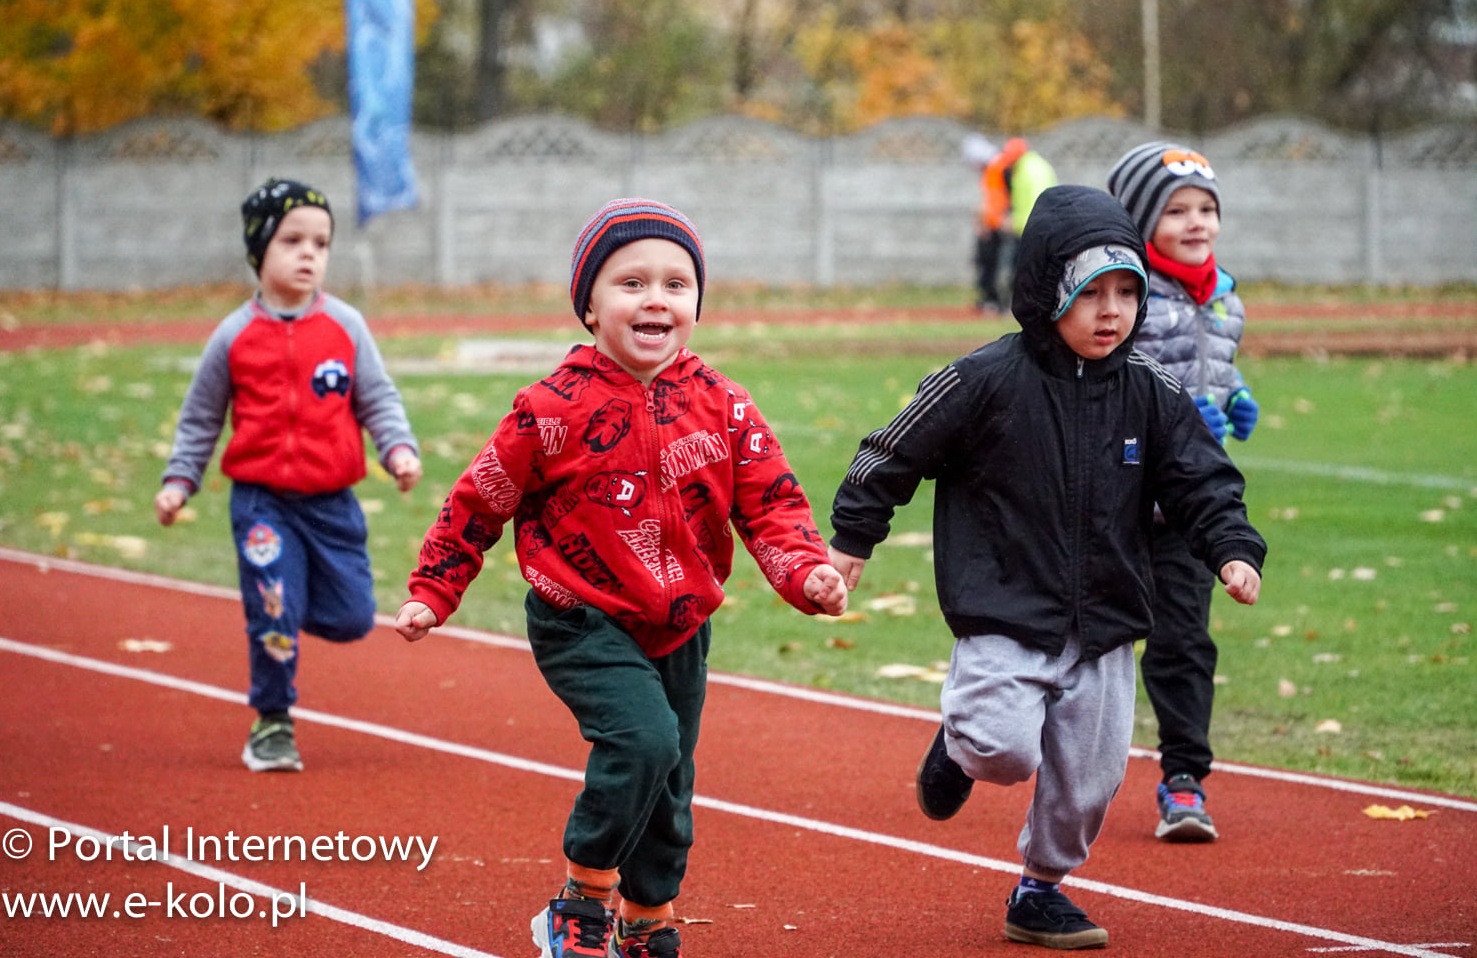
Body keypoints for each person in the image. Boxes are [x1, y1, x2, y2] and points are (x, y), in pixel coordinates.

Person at [393, 199, 848, 958]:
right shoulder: (549, 409)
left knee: (671, 784)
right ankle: (580, 900)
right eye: (631, 283)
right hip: (582, 615)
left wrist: (806, 573)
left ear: (697, 303)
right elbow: (481, 499)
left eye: (676, 284)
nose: (656, 299)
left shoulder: (727, 406)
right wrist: (433, 590)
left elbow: (772, 504)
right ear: (591, 307)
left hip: (681, 623)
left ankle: (648, 917)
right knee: (642, 743)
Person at [827, 185, 1265, 949]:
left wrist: (1231, 549)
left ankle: (1040, 891)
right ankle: (961, 745)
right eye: (1091, 291)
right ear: (1045, 289)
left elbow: (1203, 478)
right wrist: (854, 538)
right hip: (1005, 609)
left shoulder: (1151, 393)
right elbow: (890, 451)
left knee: (1087, 784)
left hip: (1106, 623)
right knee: (1004, 749)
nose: (1112, 311)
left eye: (1128, 292)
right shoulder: (983, 380)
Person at [155, 178, 422, 773]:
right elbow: (201, 419)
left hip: (333, 504)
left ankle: (282, 598)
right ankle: (272, 723)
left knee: (355, 618)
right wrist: (179, 481)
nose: (310, 254)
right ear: (259, 251)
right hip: (262, 504)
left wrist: (398, 449)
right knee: (273, 612)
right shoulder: (233, 336)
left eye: (321, 243)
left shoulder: (346, 326)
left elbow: (377, 398)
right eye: (292, 240)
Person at [1106, 141, 1257, 844]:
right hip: (1115, 499)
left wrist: (1236, 397)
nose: (1197, 223)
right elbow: (1107, 389)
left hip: (1187, 509)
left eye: (1207, 209)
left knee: (1184, 641)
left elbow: (1215, 369)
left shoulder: (1225, 298)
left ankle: (1184, 779)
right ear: (1141, 221)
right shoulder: (1122, 298)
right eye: (1177, 211)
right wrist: (1175, 420)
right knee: (1076, 637)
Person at [964, 134, 1059, 313]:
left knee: (1022, 270)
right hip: (1026, 228)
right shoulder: (1027, 168)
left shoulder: (1029, 172)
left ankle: (1023, 307)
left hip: (1030, 230)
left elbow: (1034, 205)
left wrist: (1012, 222)